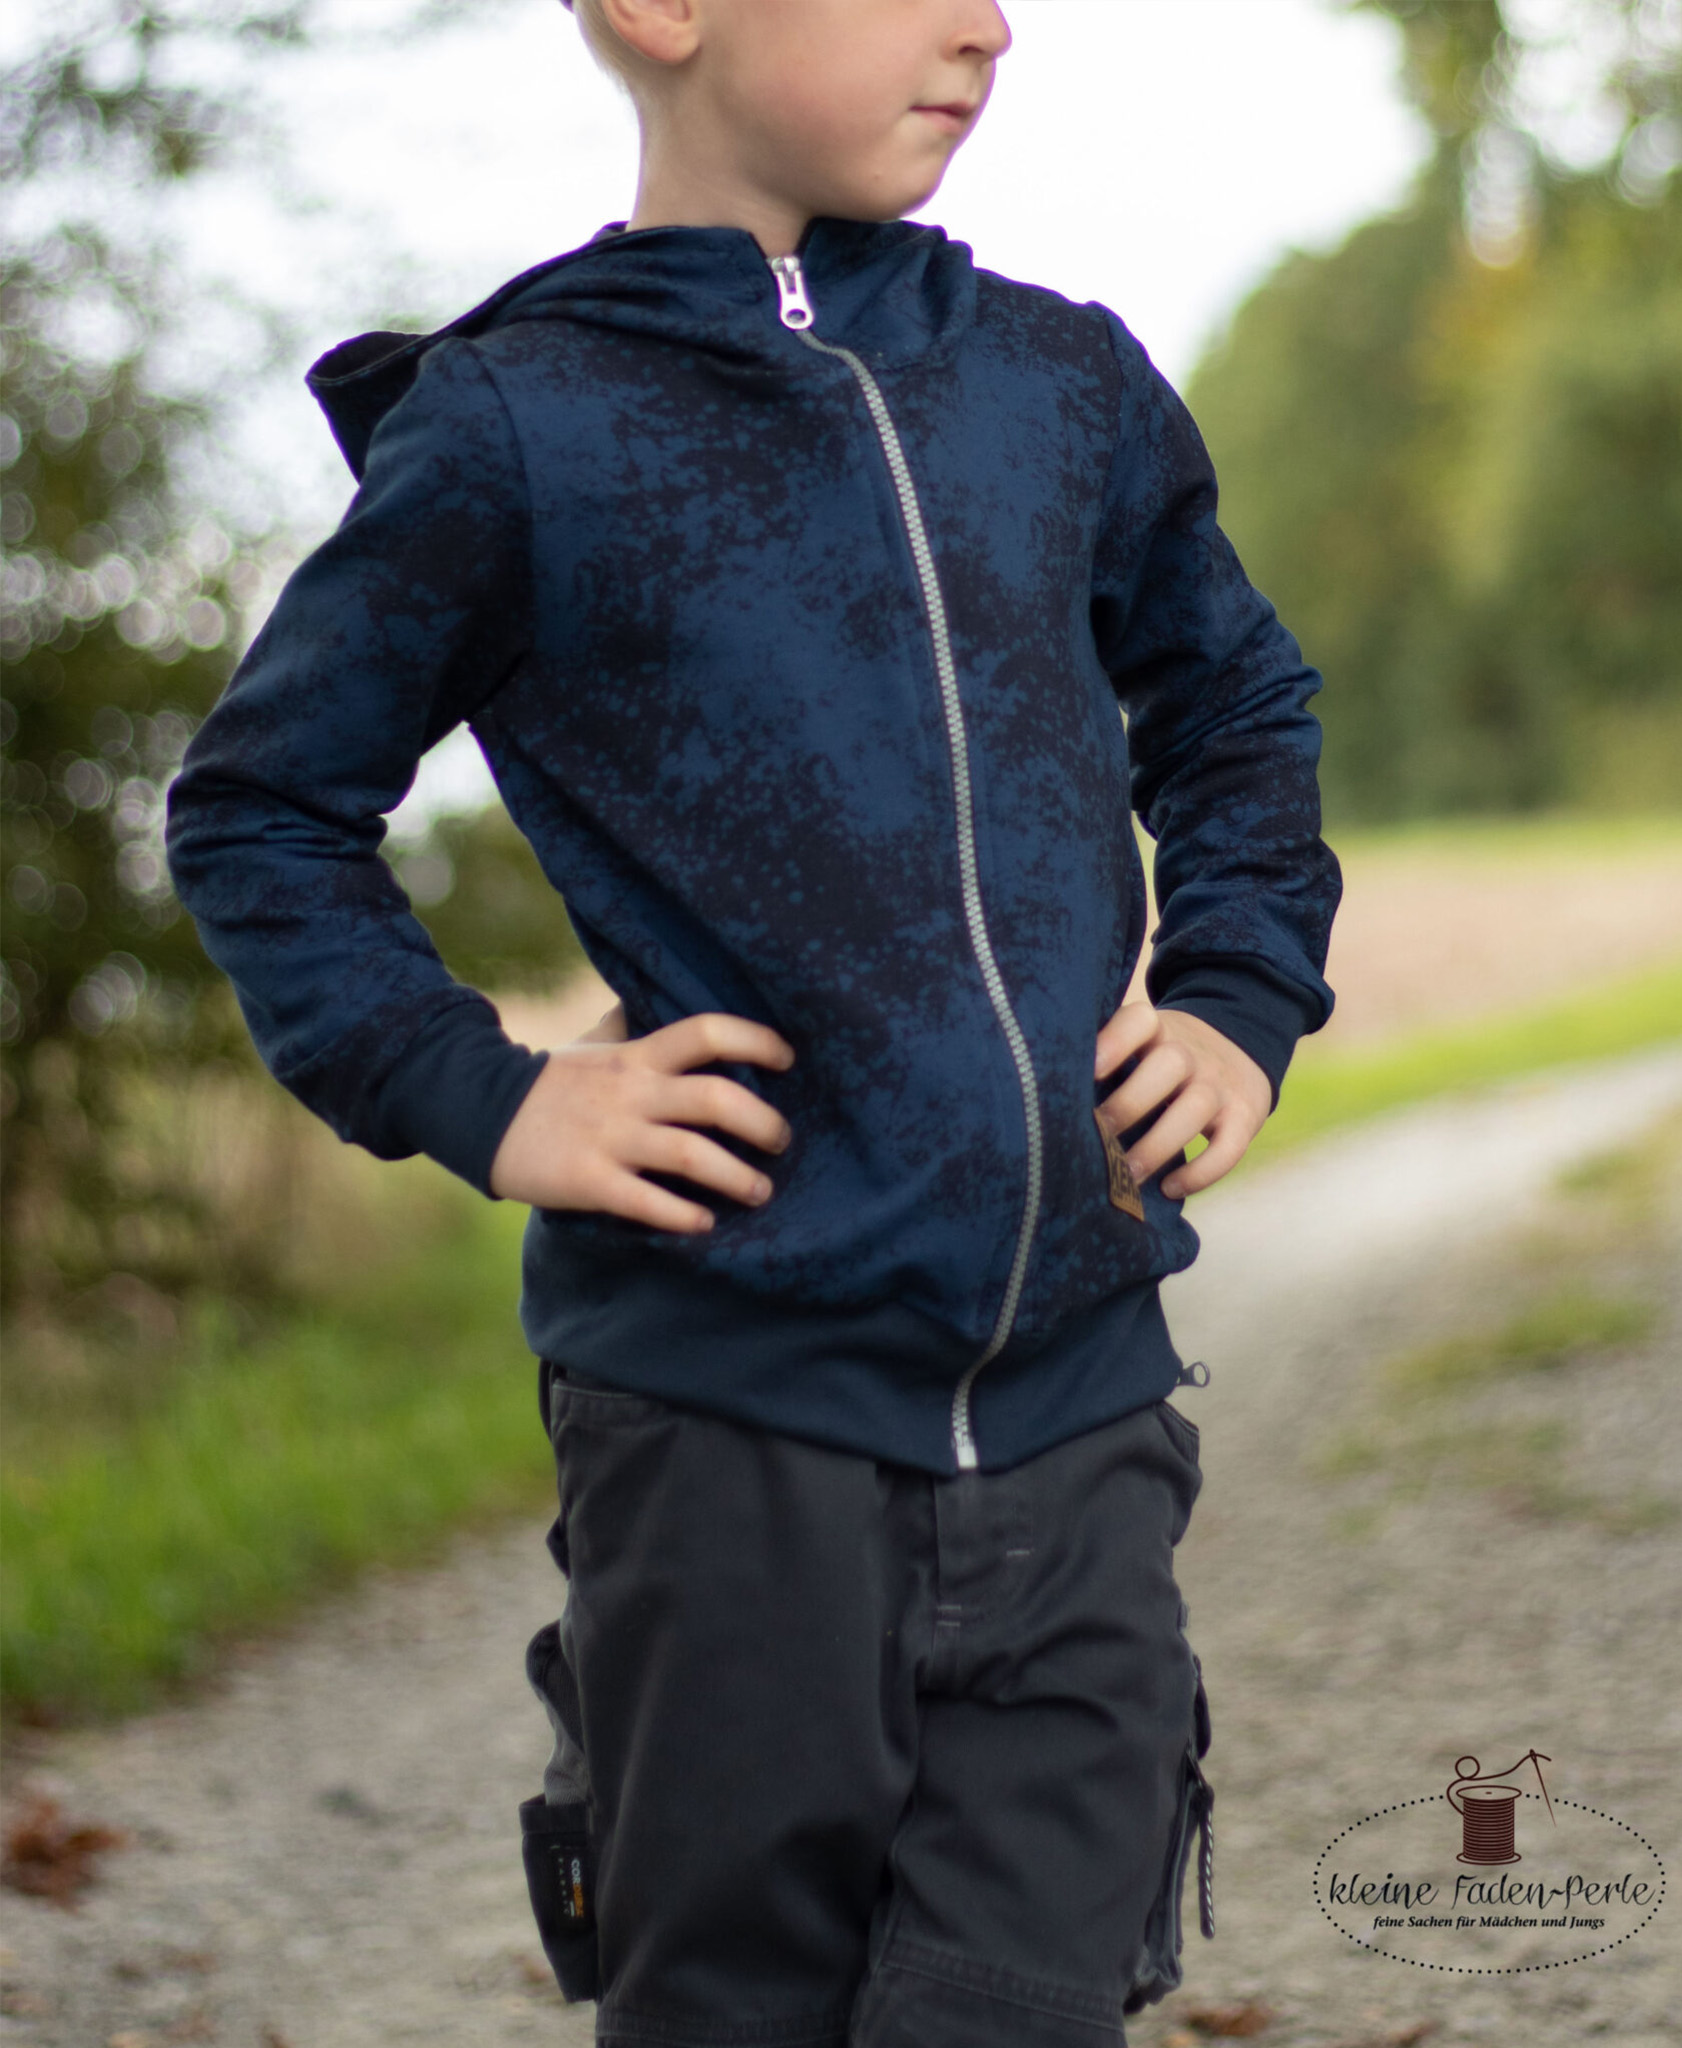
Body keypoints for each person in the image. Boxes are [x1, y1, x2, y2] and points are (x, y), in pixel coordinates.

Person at [165, 0, 1341, 2039]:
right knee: (735, 2002)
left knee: (1021, 1996)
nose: (986, 24)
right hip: (724, 1443)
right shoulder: (522, 424)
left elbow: (1237, 705)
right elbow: (262, 809)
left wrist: (1236, 989)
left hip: (1081, 1408)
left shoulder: (1061, 383)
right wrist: (484, 1094)